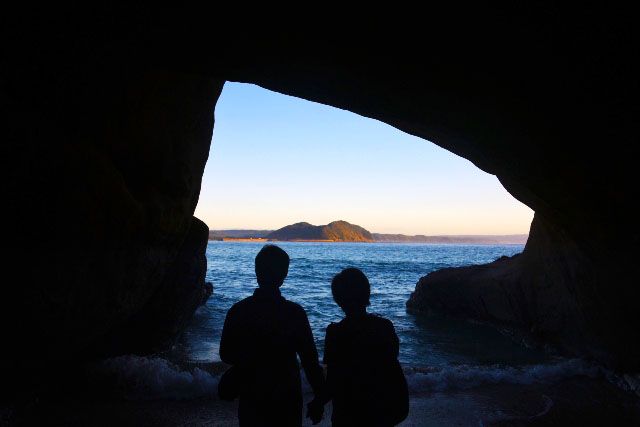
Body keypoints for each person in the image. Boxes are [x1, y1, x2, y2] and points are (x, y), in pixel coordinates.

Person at [219, 244, 326, 426]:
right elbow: (310, 362)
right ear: (284, 275)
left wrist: (250, 357)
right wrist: (320, 399)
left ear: (256, 272)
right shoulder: (294, 313)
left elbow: (226, 354)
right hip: (287, 398)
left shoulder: (239, 310)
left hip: (252, 397)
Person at [313, 268, 409, 426]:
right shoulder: (385, 327)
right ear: (366, 293)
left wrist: (318, 402)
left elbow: (333, 381)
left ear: (338, 300)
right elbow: (391, 362)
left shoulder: (336, 333)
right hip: (383, 410)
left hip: (348, 412)